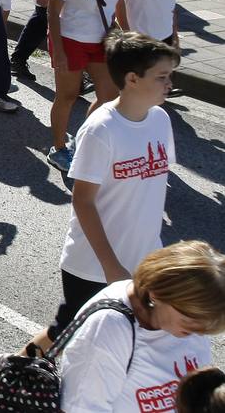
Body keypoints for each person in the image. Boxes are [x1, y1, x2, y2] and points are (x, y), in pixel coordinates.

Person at [29, 32, 180, 354]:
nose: (170, 84)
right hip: (94, 263)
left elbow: (152, 191)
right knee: (69, 330)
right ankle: (15, 368)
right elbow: (82, 201)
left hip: (144, 259)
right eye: (162, 77)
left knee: (135, 337)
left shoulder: (160, 120)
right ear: (132, 79)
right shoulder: (102, 129)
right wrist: (110, 265)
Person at [56, 241, 224, 413]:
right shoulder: (109, 328)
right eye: (193, 318)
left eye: (209, 321)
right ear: (158, 293)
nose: (201, 329)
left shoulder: (187, 322)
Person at [45, 0, 122, 172]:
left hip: (101, 40)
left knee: (109, 96)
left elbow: (111, 1)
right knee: (67, 96)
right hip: (71, 41)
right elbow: (52, 13)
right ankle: (58, 149)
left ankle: (82, 140)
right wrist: (58, 52)